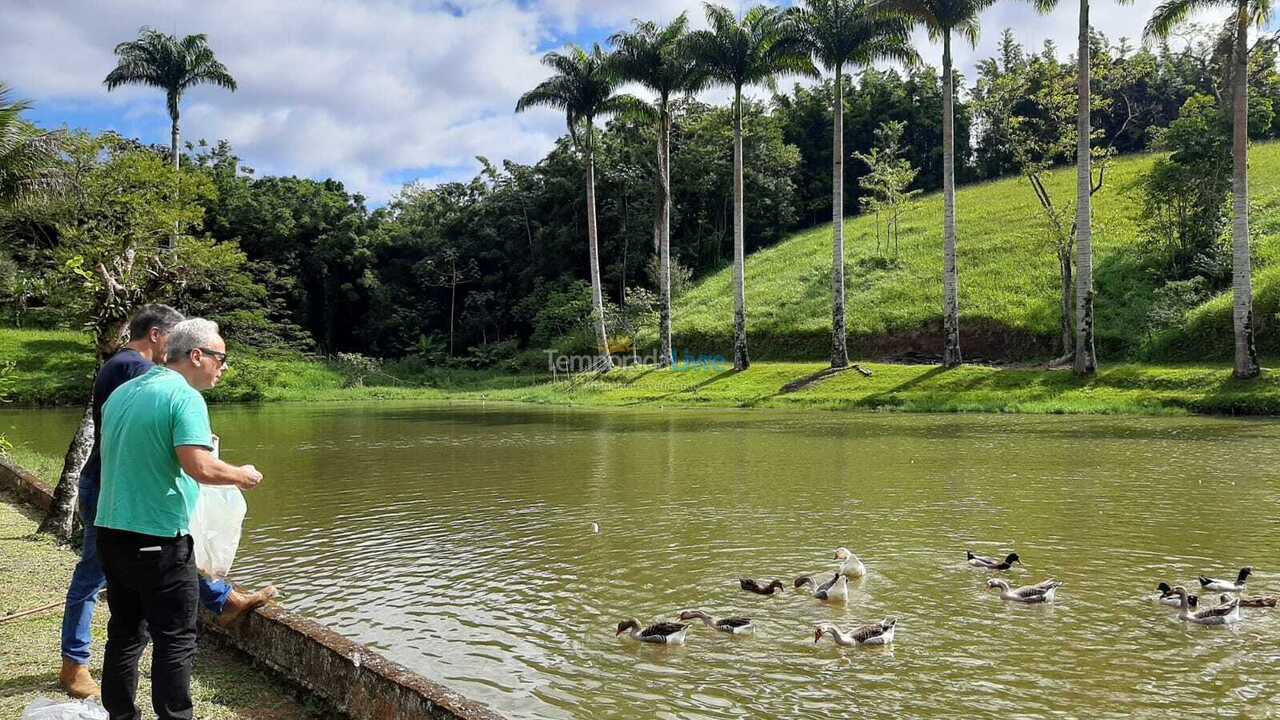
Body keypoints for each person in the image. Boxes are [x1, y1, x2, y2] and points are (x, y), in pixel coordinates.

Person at [58, 307, 276, 700]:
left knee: (125, 633)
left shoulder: (124, 389)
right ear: (195, 355)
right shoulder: (177, 394)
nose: (223, 368)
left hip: (114, 522)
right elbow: (198, 466)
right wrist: (242, 476)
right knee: (174, 638)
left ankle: (119, 710)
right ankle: (78, 664)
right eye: (220, 359)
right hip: (153, 527)